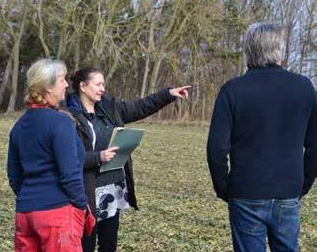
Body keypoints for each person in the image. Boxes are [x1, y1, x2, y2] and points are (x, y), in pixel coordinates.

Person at [207, 23, 317, 252]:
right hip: (288, 191)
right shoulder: (304, 88)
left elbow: (216, 149)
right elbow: (315, 145)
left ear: (249, 50)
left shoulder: (233, 90)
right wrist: (303, 184)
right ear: (279, 49)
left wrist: (224, 188)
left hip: (246, 192)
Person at [66, 67, 190, 252]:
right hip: (87, 192)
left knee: (109, 245)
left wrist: (169, 94)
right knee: (86, 245)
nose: (102, 89)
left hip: (113, 188)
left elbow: (141, 106)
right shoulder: (68, 115)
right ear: (83, 86)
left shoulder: (109, 108)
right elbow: (68, 157)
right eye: (98, 84)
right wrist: (98, 157)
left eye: (104, 84)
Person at [7, 59, 88, 252]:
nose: (67, 85)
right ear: (48, 87)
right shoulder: (60, 122)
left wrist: (31, 198)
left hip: (25, 214)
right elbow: (70, 173)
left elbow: (14, 176)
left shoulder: (18, 126)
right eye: (62, 79)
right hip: (56, 214)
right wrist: (82, 206)